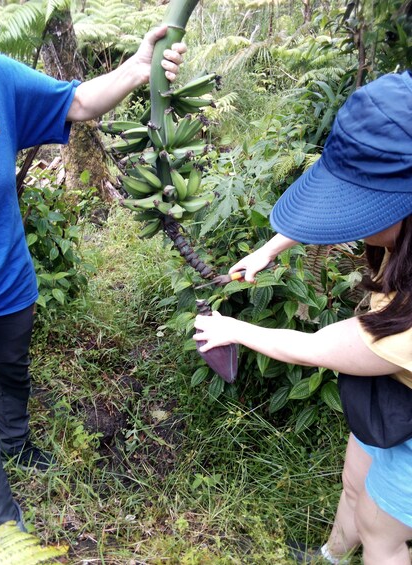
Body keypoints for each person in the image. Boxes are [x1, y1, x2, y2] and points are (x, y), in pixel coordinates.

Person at [194, 70, 412, 565]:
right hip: (388, 391)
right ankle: (331, 556)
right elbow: (336, 209)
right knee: (355, 480)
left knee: (384, 531)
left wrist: (235, 330)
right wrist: (270, 250)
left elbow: (323, 348)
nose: (352, 219)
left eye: (366, 206)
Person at [0, 27, 186, 532]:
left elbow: (77, 101)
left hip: (6, 278)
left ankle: (16, 441)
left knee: (11, 370)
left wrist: (138, 67)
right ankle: (1, 522)